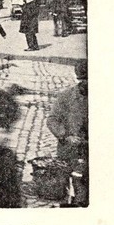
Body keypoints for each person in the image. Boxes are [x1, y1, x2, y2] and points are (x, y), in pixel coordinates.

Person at [47, 61, 89, 207]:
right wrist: (65, 135)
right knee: (69, 186)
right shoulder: (66, 97)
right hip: (69, 150)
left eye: (88, 79)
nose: (85, 83)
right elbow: (52, 120)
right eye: (82, 80)